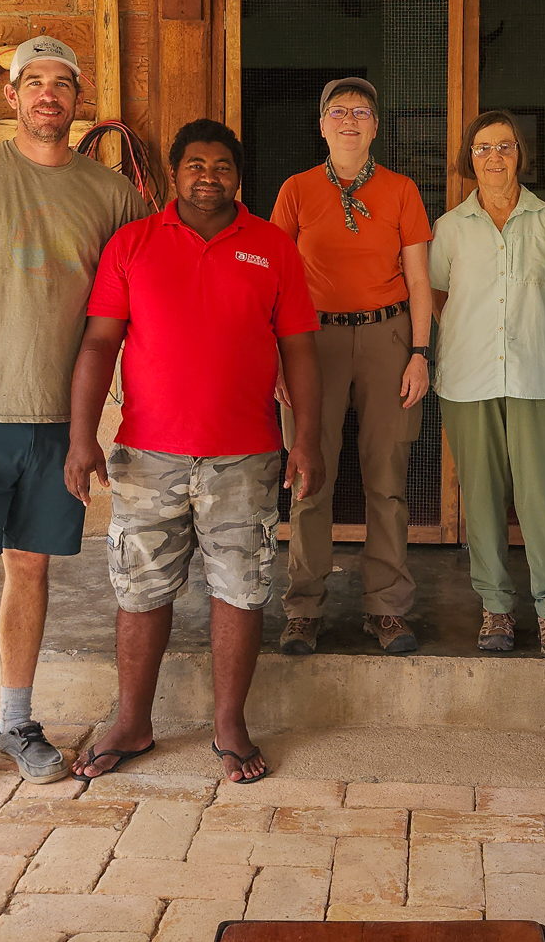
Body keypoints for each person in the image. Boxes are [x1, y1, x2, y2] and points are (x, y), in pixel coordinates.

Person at [0, 36, 150, 806]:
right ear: (11, 96)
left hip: (59, 423)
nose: (48, 95)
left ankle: (15, 722)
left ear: (78, 99)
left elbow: (151, 298)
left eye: (62, 84)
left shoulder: (111, 196)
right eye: (33, 82)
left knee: (32, 569)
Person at [63, 119, 324, 784]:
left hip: (247, 454)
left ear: (240, 176)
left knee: (240, 588)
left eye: (223, 166)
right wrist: (81, 435)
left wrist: (307, 441)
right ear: (174, 173)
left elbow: (299, 348)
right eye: (195, 165)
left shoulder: (272, 248)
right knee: (141, 587)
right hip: (148, 454)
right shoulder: (134, 244)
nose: (209, 176)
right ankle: (133, 719)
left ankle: (229, 722)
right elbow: (98, 344)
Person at [272, 77, 433, 655]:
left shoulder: (401, 190)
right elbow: (277, 280)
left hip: (388, 336)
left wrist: (419, 352)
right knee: (309, 474)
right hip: (313, 341)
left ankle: (386, 606)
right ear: (321, 125)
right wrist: (277, 360)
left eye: (361, 112)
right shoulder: (295, 190)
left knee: (387, 477)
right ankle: (304, 607)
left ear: (375, 126)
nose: (349, 121)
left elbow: (419, 279)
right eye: (337, 112)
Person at [430, 110, 545, 658]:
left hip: (541, 374)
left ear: (521, 154)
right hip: (469, 377)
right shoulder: (449, 228)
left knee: (544, 495)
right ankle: (495, 607)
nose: (495, 157)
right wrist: (472, 336)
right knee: (484, 497)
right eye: (483, 148)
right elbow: (439, 296)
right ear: (470, 158)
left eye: (506, 147)